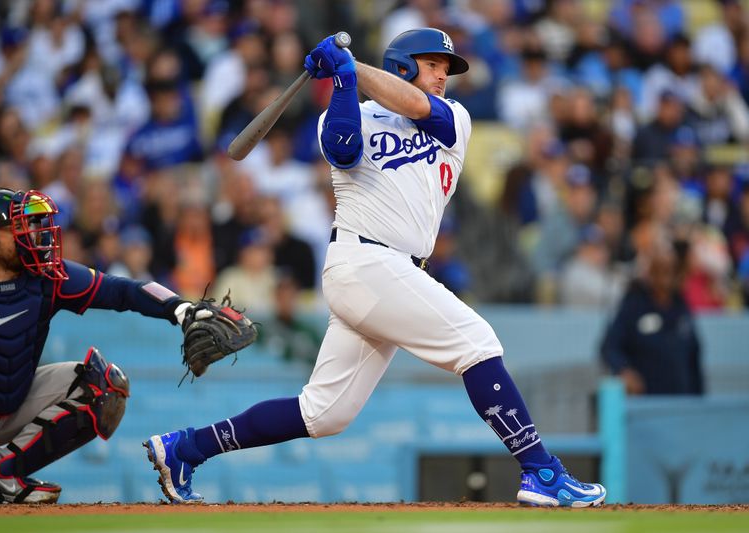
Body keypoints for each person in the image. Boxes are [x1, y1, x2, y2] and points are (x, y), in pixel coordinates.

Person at [144, 28, 606, 507]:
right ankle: (541, 472)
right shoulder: (346, 117)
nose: (443, 76)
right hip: (365, 260)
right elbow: (345, 149)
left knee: (323, 414)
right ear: (403, 66)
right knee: (477, 343)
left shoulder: (455, 119)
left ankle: (186, 448)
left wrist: (351, 66)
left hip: (390, 271)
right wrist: (345, 82)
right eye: (433, 65)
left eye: (446, 69)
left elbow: (420, 107)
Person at [0, 187, 250, 504]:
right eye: (18, 228)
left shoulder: (46, 276)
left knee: (106, 386)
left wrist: (180, 308)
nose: (34, 236)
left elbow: (121, 291)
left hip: (10, 402)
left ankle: (3, 476)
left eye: (33, 226)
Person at [600, 244, 703, 395]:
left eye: (670, 270)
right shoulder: (634, 305)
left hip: (681, 402)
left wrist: (698, 401)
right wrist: (624, 371)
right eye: (660, 269)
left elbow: (694, 357)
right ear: (650, 272)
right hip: (647, 403)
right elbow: (610, 346)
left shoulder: (681, 308)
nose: (665, 276)